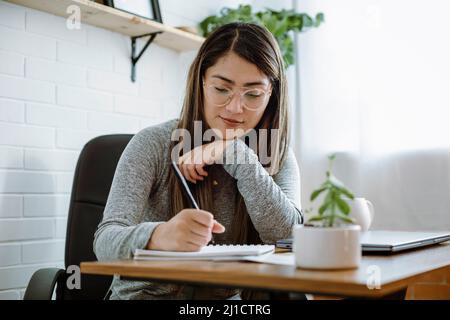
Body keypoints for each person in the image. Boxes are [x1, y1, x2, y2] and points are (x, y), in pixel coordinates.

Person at [93, 22, 303, 300]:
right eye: (221, 89)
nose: (235, 108)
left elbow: (290, 239)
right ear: (201, 82)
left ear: (271, 96)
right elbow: (105, 243)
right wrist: (159, 236)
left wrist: (238, 155)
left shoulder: (275, 154)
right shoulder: (153, 144)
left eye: (252, 94)